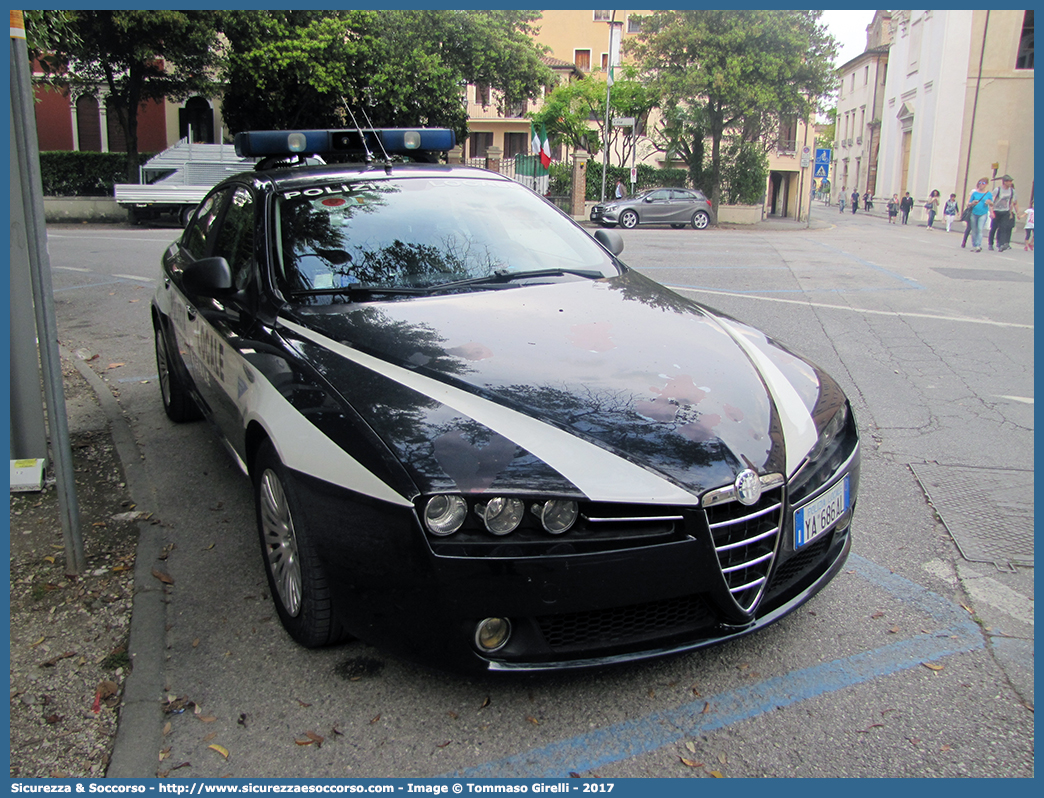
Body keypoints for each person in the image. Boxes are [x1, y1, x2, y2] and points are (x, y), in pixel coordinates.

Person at [989, 174, 1018, 251]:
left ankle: (1001, 244)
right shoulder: (998, 190)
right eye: (1009, 181)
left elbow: (1012, 202)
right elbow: (991, 201)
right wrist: (991, 212)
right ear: (1004, 182)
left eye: (1011, 181)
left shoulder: (1012, 191)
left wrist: (1011, 212)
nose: (1010, 183)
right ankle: (990, 243)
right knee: (994, 228)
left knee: (1003, 227)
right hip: (997, 211)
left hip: (1005, 211)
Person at [966, 177, 993, 252]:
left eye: (983, 183)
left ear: (986, 184)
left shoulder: (988, 194)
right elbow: (968, 204)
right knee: (974, 230)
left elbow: (992, 203)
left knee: (980, 229)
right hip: (974, 213)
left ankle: (978, 245)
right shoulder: (974, 193)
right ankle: (974, 245)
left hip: (983, 213)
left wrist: (989, 202)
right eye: (980, 183)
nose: (981, 184)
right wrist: (972, 203)